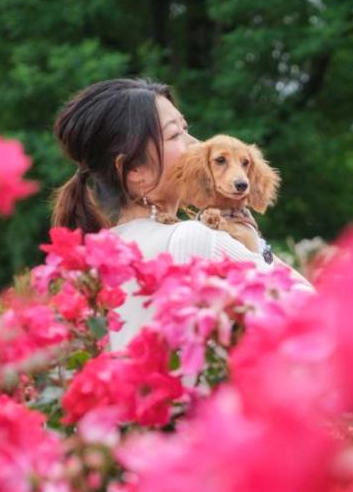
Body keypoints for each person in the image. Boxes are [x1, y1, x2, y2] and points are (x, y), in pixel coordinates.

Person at [51, 78, 308, 349]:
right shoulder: (195, 238)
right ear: (134, 169)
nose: (197, 144)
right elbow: (313, 314)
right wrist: (253, 239)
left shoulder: (90, 265)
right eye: (175, 135)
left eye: (187, 129)